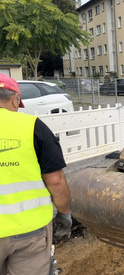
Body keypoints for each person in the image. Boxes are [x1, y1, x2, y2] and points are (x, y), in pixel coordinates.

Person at [0, 74, 72, 275]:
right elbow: (56, 180)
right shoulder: (32, 127)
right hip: (29, 232)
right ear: (15, 99)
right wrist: (65, 213)